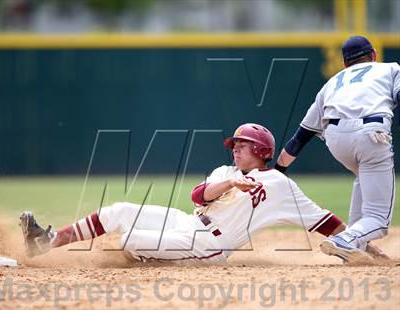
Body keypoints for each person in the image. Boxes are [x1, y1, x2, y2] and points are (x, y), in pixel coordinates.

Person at [22, 123, 373, 264]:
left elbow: (326, 222)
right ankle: (46, 242)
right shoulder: (226, 172)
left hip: (210, 246)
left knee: (129, 239)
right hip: (186, 223)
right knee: (118, 211)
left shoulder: (282, 187)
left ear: (262, 152)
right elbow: (198, 196)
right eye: (234, 144)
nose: (235, 149)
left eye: (243, 145)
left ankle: (149, 257)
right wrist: (231, 183)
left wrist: (360, 243)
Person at [275, 36, 398, 263]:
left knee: (364, 177)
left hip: (336, 139)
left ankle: (352, 249)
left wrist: (276, 171)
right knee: (379, 219)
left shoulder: (331, 84)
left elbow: (300, 138)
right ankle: (345, 240)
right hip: (371, 133)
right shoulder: (391, 68)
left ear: (345, 64)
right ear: (373, 56)